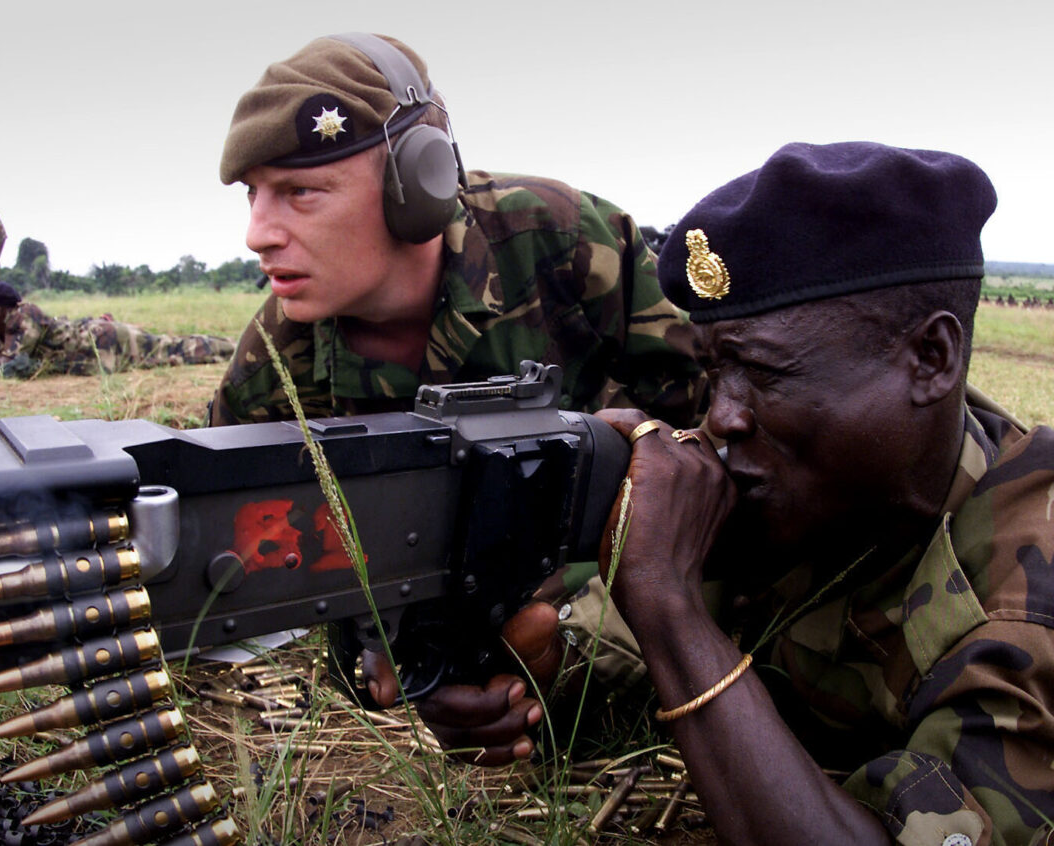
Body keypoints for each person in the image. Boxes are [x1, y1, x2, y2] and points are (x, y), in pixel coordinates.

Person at [404, 142, 1054, 846]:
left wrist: (667, 605)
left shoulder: (1027, 601)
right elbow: (610, 666)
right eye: (716, 371)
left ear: (930, 359)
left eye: (765, 373)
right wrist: (536, 677)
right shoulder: (807, 487)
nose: (722, 417)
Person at [209, 32, 702, 428]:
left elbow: (727, 416)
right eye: (254, 193)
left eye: (300, 192)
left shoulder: (568, 246)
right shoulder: (269, 367)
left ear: (421, 184)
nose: (258, 235)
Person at [0, 281, 236, 377]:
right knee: (172, 347)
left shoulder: (24, 316)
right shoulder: (8, 327)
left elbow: (8, 370)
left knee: (175, 349)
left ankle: (236, 348)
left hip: (107, 342)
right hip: (99, 344)